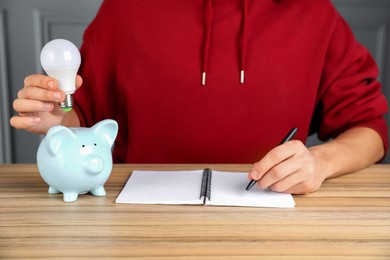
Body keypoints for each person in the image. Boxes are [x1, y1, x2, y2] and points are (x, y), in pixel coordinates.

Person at [10, 0, 388, 195]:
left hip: (276, 222)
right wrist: (56, 117)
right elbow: (82, 116)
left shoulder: (312, 12)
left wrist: (320, 163)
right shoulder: (125, 9)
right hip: (136, 226)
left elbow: (369, 131)